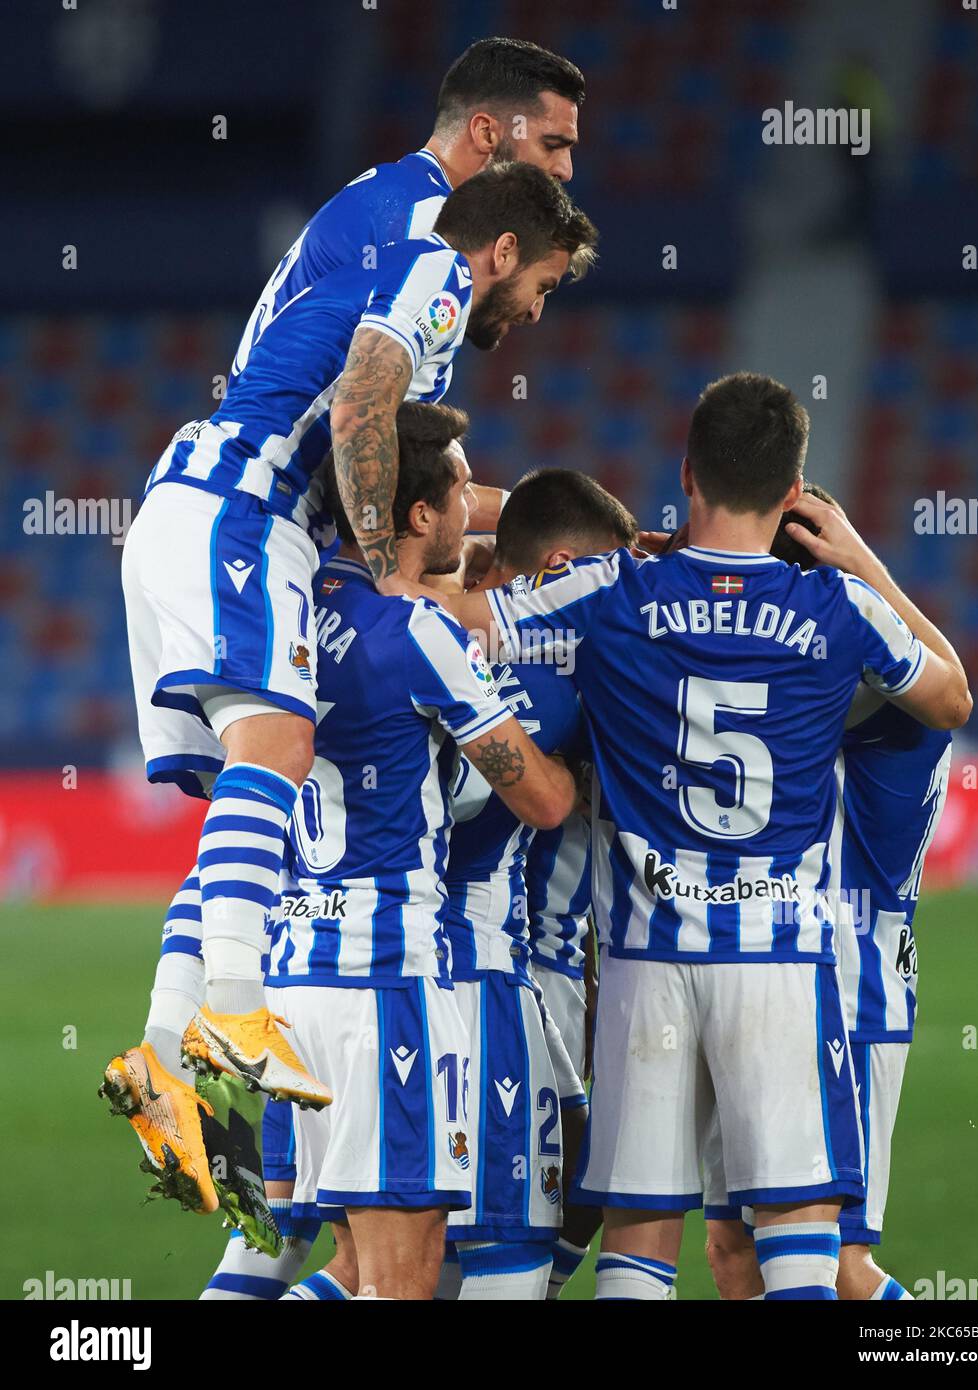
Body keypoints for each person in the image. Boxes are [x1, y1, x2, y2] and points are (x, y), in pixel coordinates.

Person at [105, 165, 596, 1227]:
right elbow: (369, 401)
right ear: (502, 252)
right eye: (545, 284)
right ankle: (234, 1014)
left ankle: (157, 1052)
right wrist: (384, 570)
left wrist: (577, 544)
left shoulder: (368, 279)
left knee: (252, 799)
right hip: (243, 520)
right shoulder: (432, 276)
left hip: (190, 509)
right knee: (276, 754)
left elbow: (434, 490)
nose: (533, 310)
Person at [446, 371, 971, 1299]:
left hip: (648, 962)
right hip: (778, 958)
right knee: (800, 1233)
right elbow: (949, 694)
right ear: (790, 495)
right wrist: (852, 562)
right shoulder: (839, 613)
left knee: (640, 1240)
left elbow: (465, 619)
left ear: (685, 474)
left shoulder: (610, 592)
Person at [262, 403, 575, 1300]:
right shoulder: (419, 635)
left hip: (294, 977)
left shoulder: (277, 614)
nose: (473, 506)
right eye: (459, 491)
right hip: (386, 982)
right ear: (419, 516)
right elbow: (542, 800)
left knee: (350, 1267)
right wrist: (578, 772)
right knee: (405, 1277)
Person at [702, 483, 955, 1302]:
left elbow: (938, 684)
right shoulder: (837, 682)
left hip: (849, 992)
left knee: (835, 1263)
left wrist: (860, 572)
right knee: (732, 1250)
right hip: (763, 980)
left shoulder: (891, 706)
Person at [435, 469, 636, 1299]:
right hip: (513, 972)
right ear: (562, 570)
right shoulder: (574, 679)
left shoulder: (429, 643)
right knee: (541, 1200)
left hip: (408, 953)